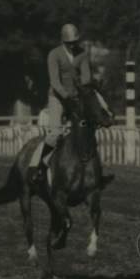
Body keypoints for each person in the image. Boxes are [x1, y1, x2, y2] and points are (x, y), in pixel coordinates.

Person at [28, 22, 113, 185]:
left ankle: (94, 169)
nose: (73, 45)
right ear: (63, 42)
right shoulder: (53, 54)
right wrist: (68, 96)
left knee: (87, 128)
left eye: (75, 42)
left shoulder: (82, 54)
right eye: (70, 43)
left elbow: (86, 78)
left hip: (77, 96)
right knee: (55, 134)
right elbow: (55, 81)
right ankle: (38, 167)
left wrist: (91, 84)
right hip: (57, 98)